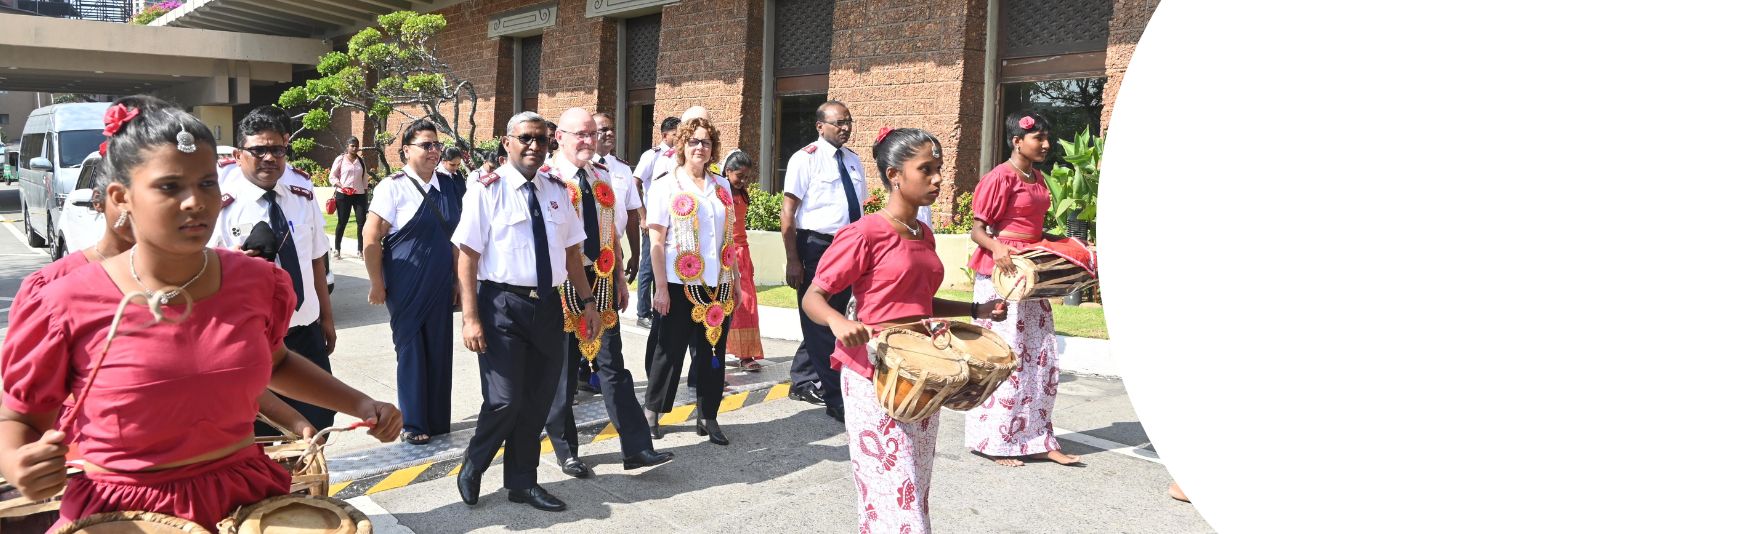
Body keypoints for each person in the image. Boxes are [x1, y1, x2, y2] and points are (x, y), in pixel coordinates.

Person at [0, 95, 401, 532]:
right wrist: (19, 462)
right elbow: (18, 417)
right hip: (122, 511)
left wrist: (360, 403)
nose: (195, 202)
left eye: (207, 183)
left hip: (246, 498)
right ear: (120, 197)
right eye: (170, 187)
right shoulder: (65, 301)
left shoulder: (255, 283)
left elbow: (275, 362)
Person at [801, 127, 1006, 533]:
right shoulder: (864, 233)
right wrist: (840, 321)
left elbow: (921, 303)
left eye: (938, 169)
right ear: (895, 174)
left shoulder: (923, 233)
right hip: (875, 372)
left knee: (914, 483)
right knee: (892, 486)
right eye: (925, 170)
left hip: (924, 369)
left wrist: (975, 308)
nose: (937, 179)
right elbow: (814, 296)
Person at [453, 111, 600, 512]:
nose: (534, 146)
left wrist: (588, 302)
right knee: (505, 399)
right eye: (526, 139)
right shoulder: (486, 189)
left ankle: (522, 482)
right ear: (507, 142)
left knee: (537, 399)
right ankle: (474, 462)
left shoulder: (557, 189)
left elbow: (572, 254)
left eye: (541, 139)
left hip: (548, 305)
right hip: (501, 303)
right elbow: (467, 256)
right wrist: (470, 318)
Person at [542, 108, 673, 479]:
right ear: (560, 138)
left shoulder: (601, 175)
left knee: (613, 368)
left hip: (599, 281)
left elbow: (609, 231)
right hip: (561, 283)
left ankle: (637, 448)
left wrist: (617, 275)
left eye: (591, 134)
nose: (587, 141)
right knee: (564, 373)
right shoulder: (546, 178)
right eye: (579, 134)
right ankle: (566, 451)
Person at [962, 111, 1082, 468]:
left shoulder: (1038, 177)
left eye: (1047, 138)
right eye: (1038, 138)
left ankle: (1038, 439)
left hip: (1031, 276)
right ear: (1017, 141)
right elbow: (978, 230)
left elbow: (1033, 227)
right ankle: (996, 441)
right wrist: (998, 248)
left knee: (1041, 360)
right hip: (1003, 276)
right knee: (1004, 358)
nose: (1045, 144)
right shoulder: (999, 177)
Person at [212, 106, 339, 433]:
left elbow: (315, 259)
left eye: (277, 150)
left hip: (304, 329)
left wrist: (326, 317)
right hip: (255, 340)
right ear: (240, 155)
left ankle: (310, 484)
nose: (269, 158)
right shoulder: (220, 204)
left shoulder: (301, 191)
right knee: (264, 427)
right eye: (258, 150)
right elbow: (208, 278)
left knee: (320, 418)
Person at [362, 120, 463, 445]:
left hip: (440, 283)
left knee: (438, 349)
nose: (434, 151)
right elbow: (371, 237)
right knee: (411, 350)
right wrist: (377, 283)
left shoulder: (449, 184)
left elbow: (457, 240)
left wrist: (459, 282)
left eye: (436, 145)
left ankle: (437, 420)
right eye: (426, 145)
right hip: (404, 284)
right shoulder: (392, 186)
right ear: (405, 150)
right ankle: (414, 423)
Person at [642, 117, 736, 446]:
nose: (700, 147)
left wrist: (734, 281)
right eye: (694, 141)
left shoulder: (721, 187)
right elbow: (656, 242)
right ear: (682, 145)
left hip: (717, 284)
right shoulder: (666, 184)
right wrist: (661, 289)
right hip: (678, 284)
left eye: (706, 142)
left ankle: (707, 415)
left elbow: (730, 238)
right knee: (669, 351)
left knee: (713, 351)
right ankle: (653, 412)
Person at [781, 100, 865, 421]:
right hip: (817, 247)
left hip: (850, 247)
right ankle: (836, 398)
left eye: (848, 121)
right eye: (838, 123)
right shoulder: (805, 160)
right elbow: (788, 213)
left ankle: (802, 378)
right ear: (821, 126)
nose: (845, 127)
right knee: (821, 324)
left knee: (840, 315)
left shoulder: (854, 161)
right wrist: (793, 259)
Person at [633, 116, 682, 329]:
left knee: (664, 266)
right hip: (653, 219)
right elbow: (634, 184)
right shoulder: (652, 156)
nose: (680, 138)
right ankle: (643, 312)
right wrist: (643, 216)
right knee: (647, 267)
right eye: (676, 134)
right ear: (665, 135)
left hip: (673, 220)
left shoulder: (679, 156)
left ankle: (658, 309)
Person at [721, 149, 764, 372]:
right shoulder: (719, 192)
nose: (744, 181)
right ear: (727, 172)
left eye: (747, 177)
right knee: (724, 304)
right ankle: (717, 354)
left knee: (747, 303)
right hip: (724, 253)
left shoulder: (742, 193)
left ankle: (747, 355)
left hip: (742, 252)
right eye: (740, 176)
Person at [330, 136, 369, 258]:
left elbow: (364, 179)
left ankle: (360, 250)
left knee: (361, 222)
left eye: (357, 146)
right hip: (343, 194)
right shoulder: (340, 159)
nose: (355, 148)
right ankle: (337, 249)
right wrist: (341, 186)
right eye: (352, 145)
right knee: (342, 222)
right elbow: (332, 176)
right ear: (347, 146)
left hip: (359, 195)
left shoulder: (361, 161)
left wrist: (366, 197)